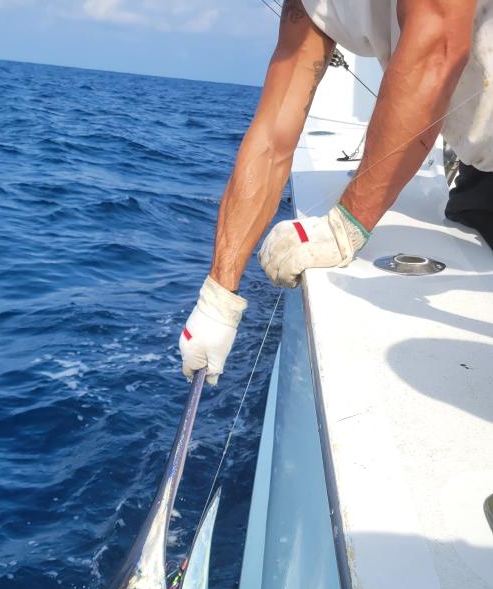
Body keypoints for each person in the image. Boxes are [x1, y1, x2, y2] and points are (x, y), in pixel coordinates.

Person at [179, 0, 492, 385]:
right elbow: (273, 134)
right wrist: (218, 295)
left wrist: (346, 224)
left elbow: (438, 47)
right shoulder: (308, 6)